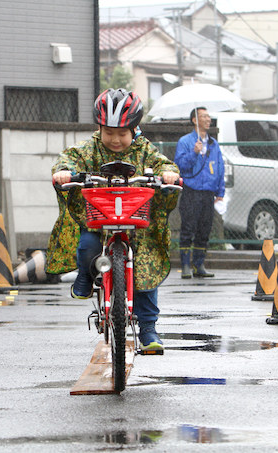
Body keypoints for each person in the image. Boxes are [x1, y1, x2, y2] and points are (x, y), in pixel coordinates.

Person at [48, 88, 180, 352]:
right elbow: (68, 157)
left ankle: (149, 329)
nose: (116, 139)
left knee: (145, 266)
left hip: (136, 221)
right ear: (100, 128)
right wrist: (63, 171)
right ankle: (86, 277)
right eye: (109, 133)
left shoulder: (144, 149)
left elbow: (165, 164)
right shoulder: (91, 148)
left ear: (135, 129)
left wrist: (168, 174)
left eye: (122, 133)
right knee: (87, 245)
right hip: (99, 218)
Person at [174, 107, 225, 279]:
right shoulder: (185, 142)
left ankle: (199, 264)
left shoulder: (213, 144)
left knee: (205, 229)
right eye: (204, 116)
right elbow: (180, 166)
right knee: (188, 228)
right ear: (195, 120)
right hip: (191, 190)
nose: (208, 119)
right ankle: (186, 265)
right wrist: (193, 153)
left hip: (208, 193)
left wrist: (220, 190)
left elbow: (219, 167)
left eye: (209, 116)